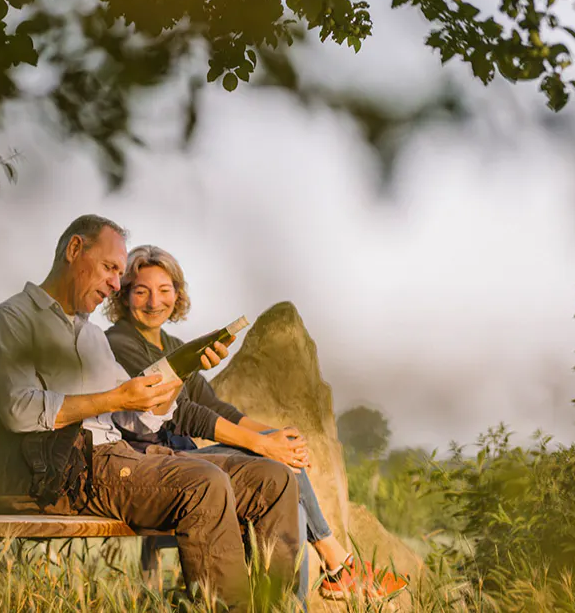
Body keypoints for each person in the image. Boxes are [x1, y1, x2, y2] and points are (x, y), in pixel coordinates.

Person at [0, 215, 301, 610]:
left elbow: (143, 414)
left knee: (273, 478)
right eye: (111, 268)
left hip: (126, 458)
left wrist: (185, 368)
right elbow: (17, 408)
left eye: (118, 273)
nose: (116, 283)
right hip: (74, 469)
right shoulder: (13, 318)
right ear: (75, 250)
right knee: (204, 483)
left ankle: (279, 607)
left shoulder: (91, 335)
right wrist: (114, 399)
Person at [104, 244, 409, 602]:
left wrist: (273, 436)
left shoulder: (172, 343)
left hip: (183, 459)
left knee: (284, 472)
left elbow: (215, 406)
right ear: (124, 297)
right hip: (154, 463)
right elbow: (184, 415)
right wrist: (263, 445)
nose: (154, 301)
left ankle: (317, 580)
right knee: (276, 466)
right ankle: (331, 569)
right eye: (141, 291)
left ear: (178, 294)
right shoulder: (119, 343)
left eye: (164, 290)